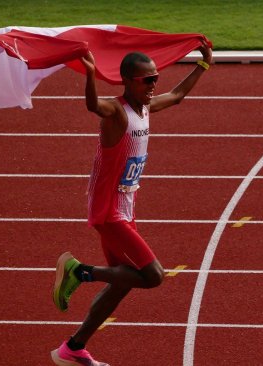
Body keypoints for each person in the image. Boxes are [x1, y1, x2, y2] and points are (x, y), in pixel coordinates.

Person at [51, 42, 213, 365]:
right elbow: (93, 106)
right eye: (147, 80)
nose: (154, 85)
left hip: (125, 208)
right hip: (109, 211)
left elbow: (178, 96)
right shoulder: (117, 112)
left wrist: (204, 65)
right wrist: (91, 76)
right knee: (153, 275)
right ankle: (78, 272)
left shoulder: (144, 109)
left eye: (155, 78)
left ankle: (73, 347)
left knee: (121, 281)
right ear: (127, 81)